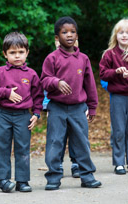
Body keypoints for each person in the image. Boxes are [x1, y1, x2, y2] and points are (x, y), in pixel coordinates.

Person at [41, 16, 101, 190]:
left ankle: (87, 176)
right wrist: (56, 82)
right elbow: (43, 80)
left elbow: (90, 85)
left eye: (72, 32)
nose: (69, 35)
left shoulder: (83, 59)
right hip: (57, 108)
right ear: (57, 37)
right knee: (55, 142)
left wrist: (92, 107)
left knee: (82, 142)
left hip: (78, 108)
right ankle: (53, 177)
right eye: (64, 32)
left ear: (77, 36)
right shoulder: (51, 58)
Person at [0, 32, 43, 193]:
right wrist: (6, 93)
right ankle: (3, 180)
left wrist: (36, 113)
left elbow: (38, 95)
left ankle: (22, 181)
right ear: (5, 54)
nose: (17, 56)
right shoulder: (0, 72)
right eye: (12, 52)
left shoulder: (31, 74)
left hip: (23, 116)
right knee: (2, 147)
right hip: (3, 115)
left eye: (20, 52)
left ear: (27, 52)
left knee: (23, 148)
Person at [99, 18, 128, 175]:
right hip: (117, 97)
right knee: (118, 130)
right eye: (121, 32)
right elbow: (103, 74)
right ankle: (119, 163)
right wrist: (116, 72)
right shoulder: (109, 54)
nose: (124, 35)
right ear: (116, 35)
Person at [43, 91, 80, 178]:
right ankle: (57, 165)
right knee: (57, 138)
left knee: (76, 136)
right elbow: (47, 86)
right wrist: (47, 104)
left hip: (77, 106)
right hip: (56, 106)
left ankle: (77, 164)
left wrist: (88, 106)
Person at [100, 79, 128, 148]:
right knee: (117, 127)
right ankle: (116, 147)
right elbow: (104, 79)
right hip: (116, 99)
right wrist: (114, 88)